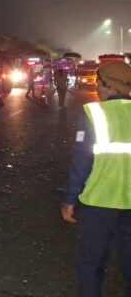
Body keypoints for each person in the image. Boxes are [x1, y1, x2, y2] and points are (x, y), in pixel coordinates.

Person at [61, 60, 131, 297]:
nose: (97, 87)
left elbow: (82, 160)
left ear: (110, 85)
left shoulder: (95, 113)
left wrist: (69, 199)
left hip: (99, 203)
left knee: (91, 264)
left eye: (98, 82)